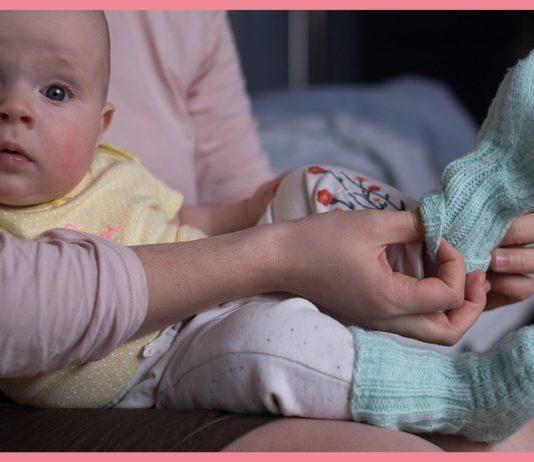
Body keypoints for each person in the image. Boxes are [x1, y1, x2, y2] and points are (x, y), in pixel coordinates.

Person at [1, 10, 534, 451]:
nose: (15, 110)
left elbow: (191, 217)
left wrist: (259, 205)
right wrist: (280, 254)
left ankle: (459, 228)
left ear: (102, 124)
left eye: (55, 91)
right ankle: (460, 393)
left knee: (308, 185)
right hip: (155, 366)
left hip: (214, 272)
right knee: (273, 344)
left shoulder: (115, 167)